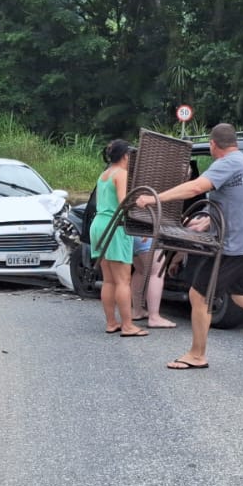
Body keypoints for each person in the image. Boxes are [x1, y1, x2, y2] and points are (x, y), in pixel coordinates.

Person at [135, 122, 243, 369]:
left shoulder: (226, 164)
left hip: (234, 246)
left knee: (199, 293)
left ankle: (197, 355)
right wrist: (207, 220)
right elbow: (236, 201)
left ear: (214, 145)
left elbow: (195, 187)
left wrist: (154, 198)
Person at [88, 139, 146, 337]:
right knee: (123, 280)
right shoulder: (121, 174)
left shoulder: (104, 174)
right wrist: (141, 207)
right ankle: (128, 325)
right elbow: (124, 203)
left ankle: (111, 322)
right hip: (115, 226)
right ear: (125, 156)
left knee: (109, 280)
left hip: (99, 225)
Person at [129, 236, 177, 328]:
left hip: (131, 233)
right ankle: (154, 317)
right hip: (145, 234)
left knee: (140, 271)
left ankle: (137, 311)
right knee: (156, 271)